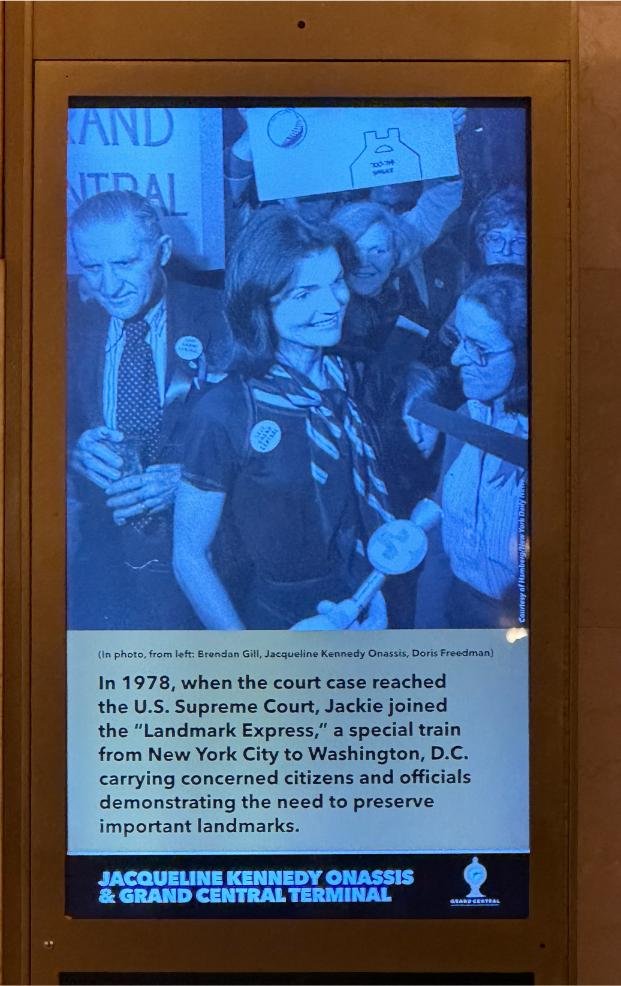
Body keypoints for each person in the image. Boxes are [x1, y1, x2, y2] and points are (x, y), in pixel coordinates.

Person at [174, 206, 391, 631]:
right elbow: (188, 556)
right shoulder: (224, 411)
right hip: (277, 624)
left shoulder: (357, 378)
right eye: (304, 293)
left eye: (336, 282)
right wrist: (252, 659)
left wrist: (377, 597)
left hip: (365, 605)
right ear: (259, 304)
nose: (332, 304)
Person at [67, 190, 228, 629]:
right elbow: (36, 425)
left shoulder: (221, 319)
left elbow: (261, 444)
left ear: (162, 252)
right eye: (92, 267)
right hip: (106, 568)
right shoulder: (65, 324)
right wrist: (71, 450)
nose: (108, 285)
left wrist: (194, 482)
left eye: (123, 263)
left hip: (213, 563)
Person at [415, 266, 528, 629]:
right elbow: (443, 539)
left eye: (480, 349)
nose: (457, 358)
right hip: (456, 611)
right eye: (458, 339)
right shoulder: (466, 417)